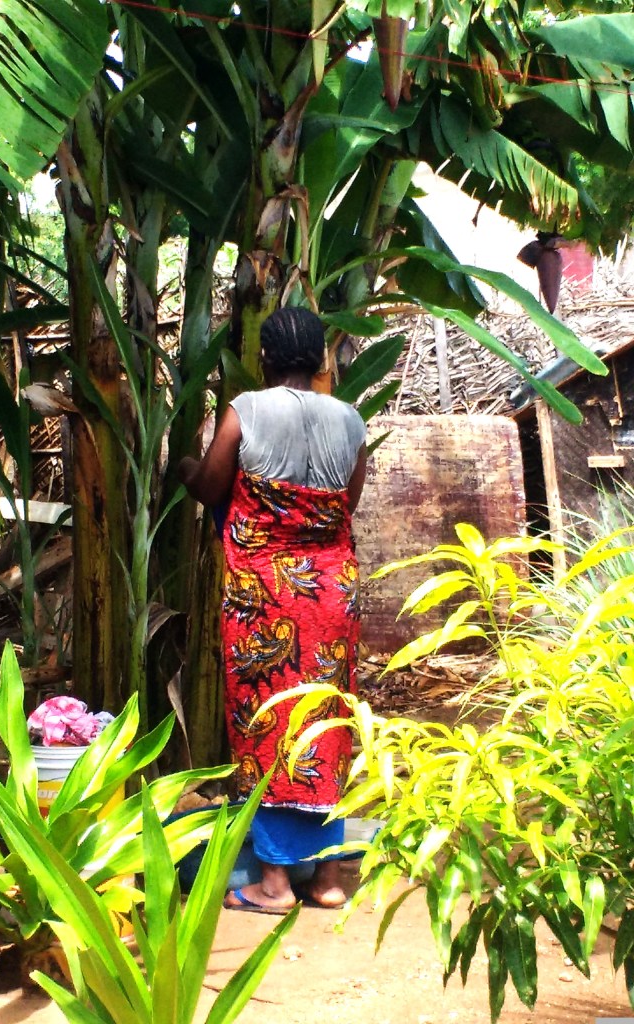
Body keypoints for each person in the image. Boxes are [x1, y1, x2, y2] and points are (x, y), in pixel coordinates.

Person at [179, 307, 367, 913]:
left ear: (264, 358)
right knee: (328, 722)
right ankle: (329, 879)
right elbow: (345, 505)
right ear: (320, 360)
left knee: (267, 722)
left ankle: (275, 885)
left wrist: (185, 467)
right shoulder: (350, 420)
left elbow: (212, 487)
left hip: (264, 596)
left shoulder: (247, 410)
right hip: (332, 591)